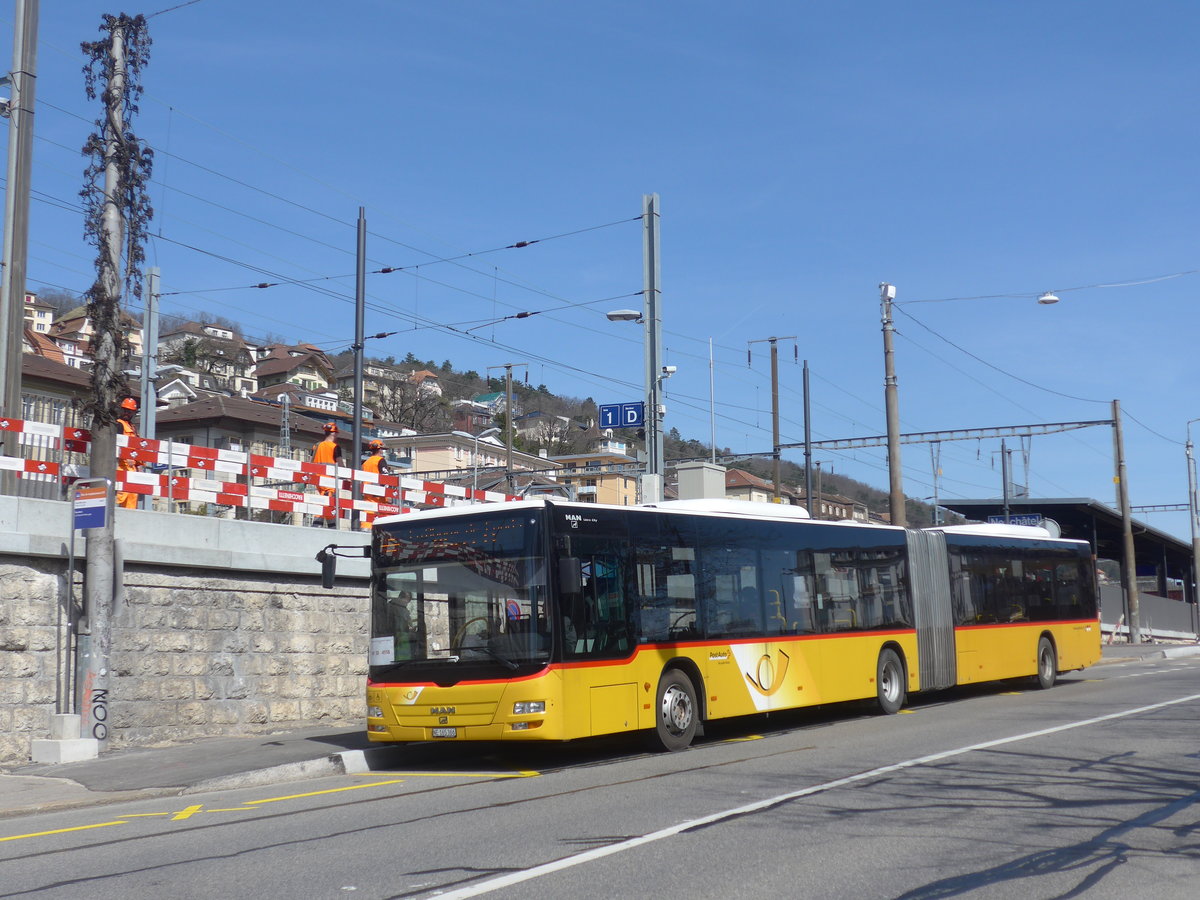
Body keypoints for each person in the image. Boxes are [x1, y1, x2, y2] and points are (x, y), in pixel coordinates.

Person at [312, 422, 343, 527]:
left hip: (318, 481)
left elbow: (311, 462)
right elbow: (341, 465)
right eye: (336, 433)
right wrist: (348, 477)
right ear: (333, 433)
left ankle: (331, 528)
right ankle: (316, 528)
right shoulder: (335, 447)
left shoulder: (317, 446)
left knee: (328, 507)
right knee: (325, 506)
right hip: (329, 483)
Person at [115, 395, 142, 510]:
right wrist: (126, 456)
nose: (127, 413)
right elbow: (117, 444)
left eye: (130, 411)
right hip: (121, 465)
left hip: (132, 467)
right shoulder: (119, 424)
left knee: (132, 495)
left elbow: (136, 447)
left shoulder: (133, 427)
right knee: (121, 495)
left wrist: (139, 464)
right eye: (125, 410)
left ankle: (129, 517)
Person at [360, 438, 392, 530]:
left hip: (367, 494)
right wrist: (388, 494)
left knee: (368, 514)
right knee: (384, 516)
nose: (383, 452)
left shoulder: (365, 463)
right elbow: (385, 478)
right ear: (379, 450)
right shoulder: (380, 460)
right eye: (382, 449)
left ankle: (365, 530)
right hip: (379, 494)